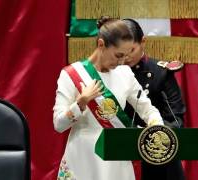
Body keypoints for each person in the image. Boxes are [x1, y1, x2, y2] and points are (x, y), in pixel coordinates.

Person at [53, 17, 164, 180]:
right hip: (84, 156)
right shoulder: (71, 75)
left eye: (125, 56)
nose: (121, 61)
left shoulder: (125, 73)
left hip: (117, 156)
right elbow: (58, 125)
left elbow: (148, 110)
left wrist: (156, 127)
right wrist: (81, 103)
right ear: (101, 44)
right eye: (118, 55)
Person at [123, 18, 186, 180]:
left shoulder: (161, 72)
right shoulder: (111, 72)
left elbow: (176, 117)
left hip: (157, 155)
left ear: (143, 42)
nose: (126, 56)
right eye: (121, 51)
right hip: (121, 154)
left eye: (131, 50)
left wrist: (152, 136)